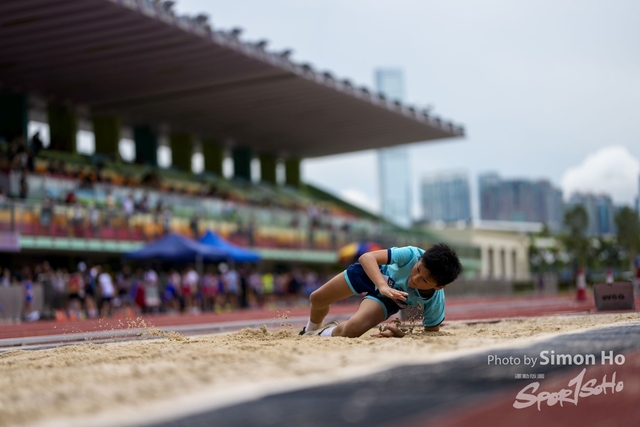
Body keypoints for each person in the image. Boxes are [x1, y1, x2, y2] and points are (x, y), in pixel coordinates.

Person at [300, 243, 462, 338]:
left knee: (353, 329)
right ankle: (310, 329)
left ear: (438, 286)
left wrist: (401, 335)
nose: (415, 278)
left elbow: (431, 333)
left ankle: (320, 334)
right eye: (417, 269)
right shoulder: (411, 254)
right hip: (372, 272)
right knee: (317, 299)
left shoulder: (435, 301)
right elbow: (367, 258)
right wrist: (383, 285)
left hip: (387, 299)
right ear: (420, 259)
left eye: (424, 281)